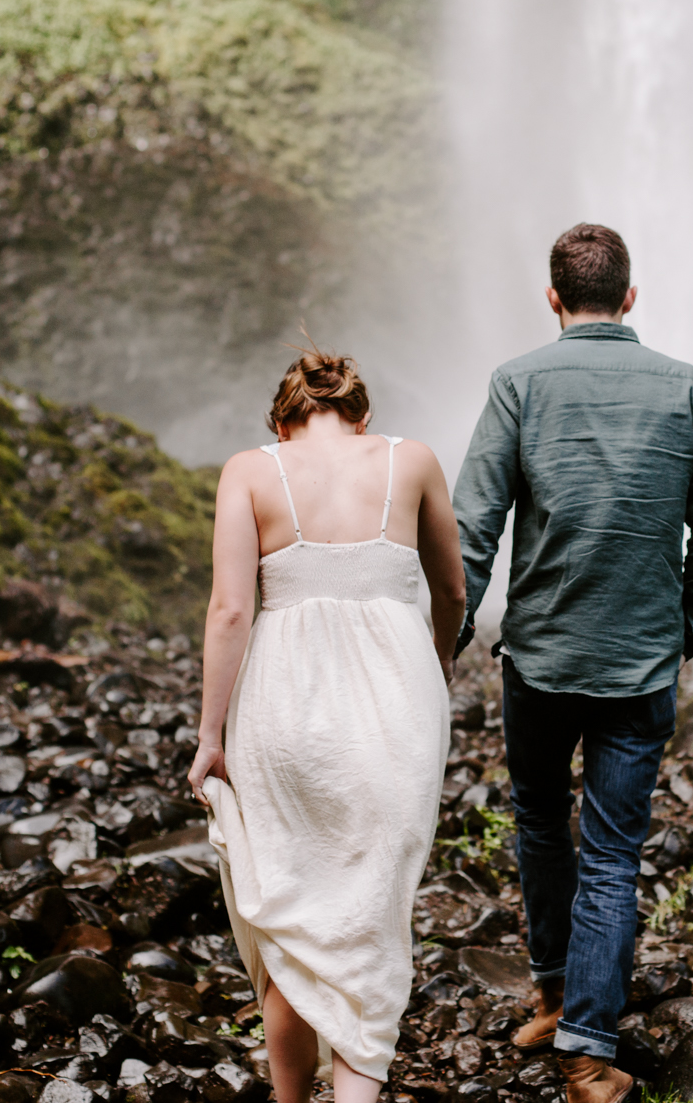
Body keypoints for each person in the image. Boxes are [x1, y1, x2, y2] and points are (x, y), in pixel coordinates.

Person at [454, 224, 693, 1103]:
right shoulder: (687, 386)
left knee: (539, 818)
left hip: (538, 655)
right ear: (631, 296)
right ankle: (582, 1044)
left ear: (553, 299)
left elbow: (474, 523)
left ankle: (556, 1001)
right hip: (641, 661)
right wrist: (686, 622)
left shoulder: (518, 382)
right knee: (611, 853)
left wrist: (449, 626)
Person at [189, 349, 466, 1103]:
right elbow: (451, 585)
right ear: (362, 415)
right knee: (372, 913)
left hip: (280, 709)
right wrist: (437, 661)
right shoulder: (413, 461)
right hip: (395, 709)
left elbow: (231, 609)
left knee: (289, 912)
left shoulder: (250, 470)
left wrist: (210, 733)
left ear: (281, 420)